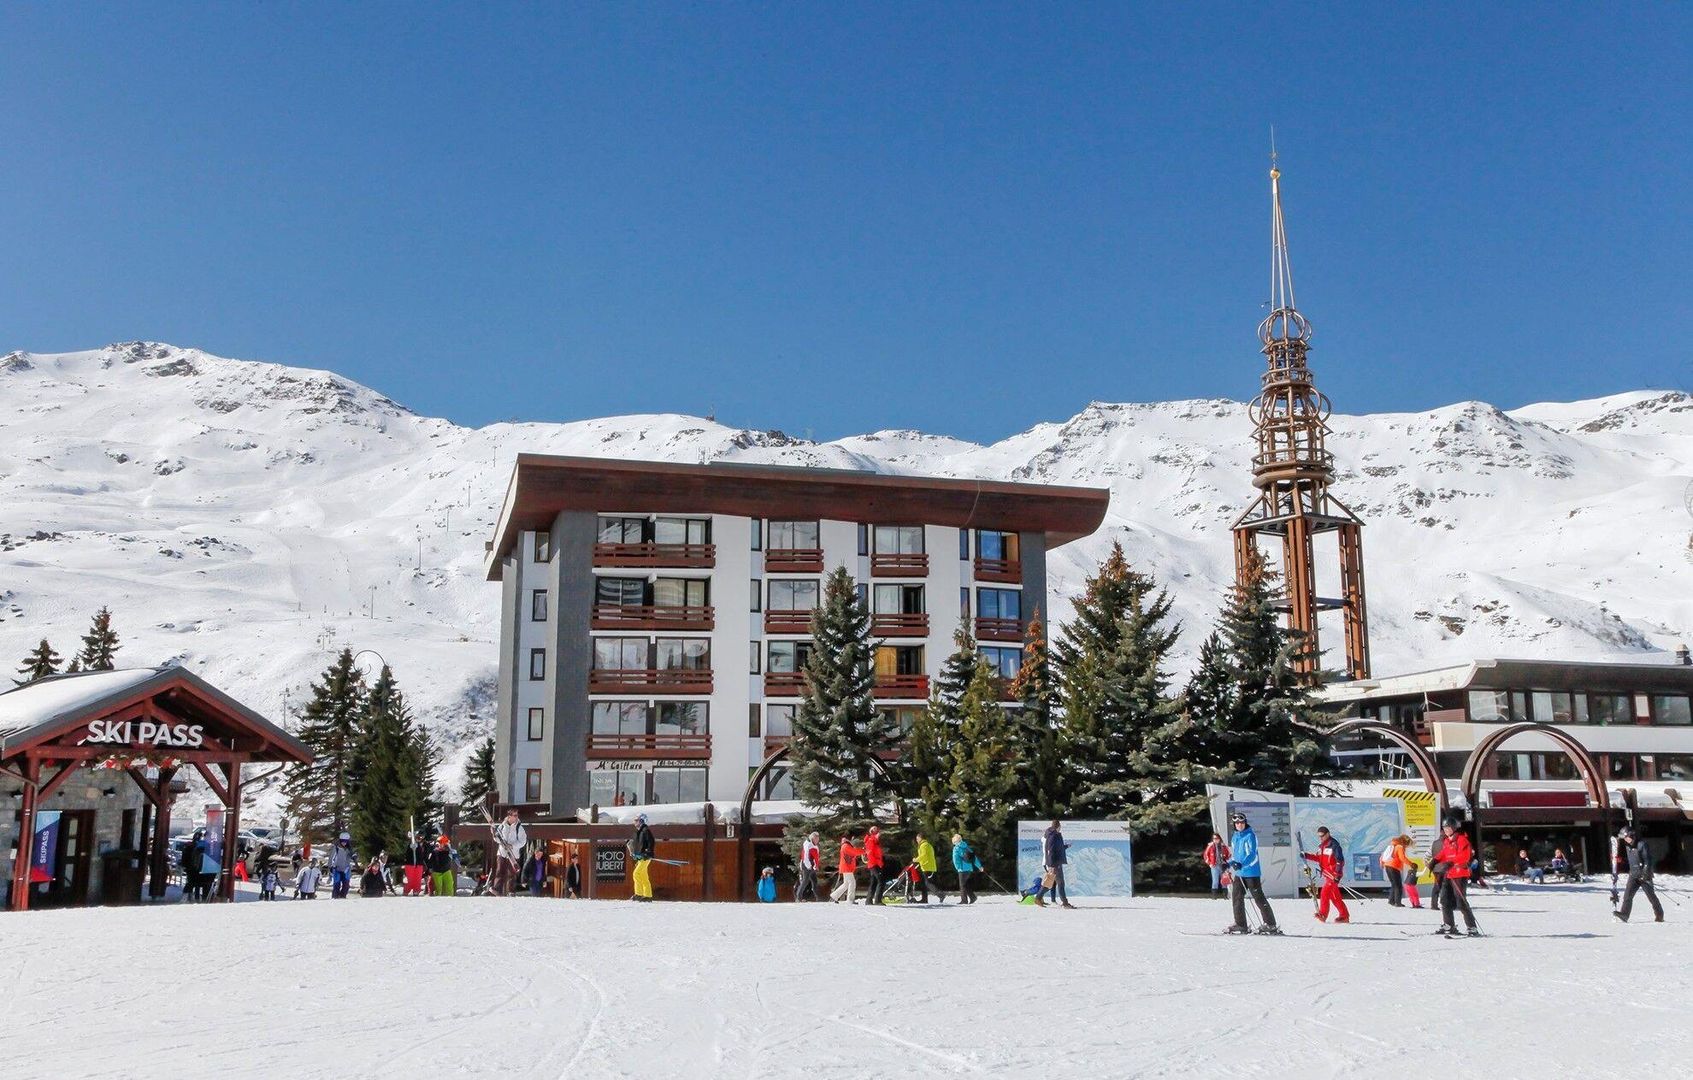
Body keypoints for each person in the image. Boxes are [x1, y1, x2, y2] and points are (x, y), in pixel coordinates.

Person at [1225, 812, 1280, 935]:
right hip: (1240, 873)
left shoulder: (1250, 836)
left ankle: (1270, 924)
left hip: (1251, 872)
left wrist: (1241, 864)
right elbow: (1236, 855)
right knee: (1236, 897)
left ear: (1245, 823)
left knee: (1258, 897)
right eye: (1237, 823)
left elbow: (1252, 855)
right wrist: (1229, 863)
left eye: (1242, 822)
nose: (1239, 825)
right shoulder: (1235, 837)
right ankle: (1241, 924)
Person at [1430, 818, 1479, 937]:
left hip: (1459, 874)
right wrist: (1435, 860)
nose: (1446, 830)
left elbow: (1465, 856)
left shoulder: (1462, 840)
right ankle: (1449, 925)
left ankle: (1472, 927)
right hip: (1449, 874)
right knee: (1444, 899)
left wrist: (1451, 862)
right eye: (1444, 828)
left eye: (1448, 828)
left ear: (1454, 828)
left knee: (1460, 901)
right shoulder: (1447, 841)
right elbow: (1444, 853)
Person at [1613, 825, 1664, 923]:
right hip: (1633, 875)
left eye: (1626, 837)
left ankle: (1659, 915)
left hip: (1644, 875)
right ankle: (1624, 914)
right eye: (1624, 838)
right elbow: (1630, 860)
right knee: (1627, 896)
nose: (1625, 840)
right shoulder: (1628, 846)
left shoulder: (1642, 844)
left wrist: (1645, 874)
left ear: (1632, 836)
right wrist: (1619, 860)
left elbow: (1647, 861)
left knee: (1651, 896)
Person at [1301, 826, 1349, 923]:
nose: (1321, 838)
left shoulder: (1334, 846)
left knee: (1324, 893)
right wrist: (1306, 855)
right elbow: (1318, 858)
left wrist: (1337, 874)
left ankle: (1323, 914)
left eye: (1322, 836)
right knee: (1334, 897)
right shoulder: (1322, 846)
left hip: (1333, 875)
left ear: (1328, 834)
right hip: (1327, 875)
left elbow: (1340, 861)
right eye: (1319, 836)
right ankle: (1344, 916)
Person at [492, 810, 528, 897]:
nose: (516, 817)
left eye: (517, 815)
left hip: (513, 854)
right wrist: (494, 835)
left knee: (511, 873)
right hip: (502, 852)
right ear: (509, 816)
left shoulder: (519, 827)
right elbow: (497, 839)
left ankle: (511, 891)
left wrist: (512, 846)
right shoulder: (502, 826)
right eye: (514, 815)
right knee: (499, 871)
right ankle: (497, 889)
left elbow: (523, 841)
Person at [1381, 834, 1420, 909]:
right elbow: (1402, 858)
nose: (1407, 846)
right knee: (1398, 885)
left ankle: (1391, 900)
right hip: (1394, 867)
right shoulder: (1400, 847)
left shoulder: (1394, 845)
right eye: (1408, 844)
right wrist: (1411, 864)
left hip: (1388, 866)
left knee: (1394, 884)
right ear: (1405, 842)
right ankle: (1398, 902)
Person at [1042, 820, 1073, 909]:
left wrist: (1066, 846)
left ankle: (1039, 897)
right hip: (1055, 864)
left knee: (1050, 882)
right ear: (1058, 826)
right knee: (1059, 883)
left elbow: (1057, 849)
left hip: (1055, 863)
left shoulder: (1052, 834)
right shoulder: (1054, 835)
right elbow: (1051, 851)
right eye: (1060, 826)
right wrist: (1052, 865)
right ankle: (1065, 903)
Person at [629, 813, 655, 902]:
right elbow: (637, 845)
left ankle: (639, 894)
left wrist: (647, 852)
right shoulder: (638, 831)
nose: (635, 822)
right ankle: (648, 895)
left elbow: (651, 842)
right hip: (640, 858)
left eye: (637, 820)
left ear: (642, 821)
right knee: (643, 876)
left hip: (645, 857)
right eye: (635, 820)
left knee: (636, 874)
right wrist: (634, 853)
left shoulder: (645, 830)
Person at [913, 833, 945, 904]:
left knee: (928, 883)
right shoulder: (927, 845)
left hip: (927, 867)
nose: (916, 840)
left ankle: (940, 894)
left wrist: (916, 860)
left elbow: (923, 855)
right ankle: (924, 899)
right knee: (924, 884)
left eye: (917, 839)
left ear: (921, 838)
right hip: (926, 866)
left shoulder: (924, 845)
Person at [952, 833, 983, 905]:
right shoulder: (967, 847)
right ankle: (972, 897)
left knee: (962, 885)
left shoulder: (956, 848)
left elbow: (955, 859)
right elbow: (974, 858)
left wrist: (958, 868)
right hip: (969, 868)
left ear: (955, 842)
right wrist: (979, 866)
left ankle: (964, 900)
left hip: (962, 869)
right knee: (965, 884)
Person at [830, 835, 862, 903]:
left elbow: (853, 853)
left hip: (846, 867)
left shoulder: (846, 846)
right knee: (852, 882)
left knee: (846, 884)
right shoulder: (846, 846)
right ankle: (850, 900)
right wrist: (864, 851)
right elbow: (854, 852)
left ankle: (834, 896)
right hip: (846, 868)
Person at [863, 826, 887, 906]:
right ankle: (878, 900)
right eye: (875, 830)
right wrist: (878, 863)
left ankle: (869, 900)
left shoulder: (875, 841)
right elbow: (870, 854)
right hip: (874, 864)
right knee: (881, 881)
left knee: (874, 882)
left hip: (874, 864)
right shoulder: (871, 840)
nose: (878, 833)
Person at [1203, 832, 1231, 899]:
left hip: (1222, 866)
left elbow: (1229, 855)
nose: (1215, 840)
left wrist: (1226, 862)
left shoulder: (1223, 846)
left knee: (1224, 880)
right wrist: (1210, 863)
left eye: (1217, 838)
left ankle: (1225, 896)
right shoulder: (1210, 846)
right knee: (1215, 881)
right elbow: (1205, 855)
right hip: (1214, 866)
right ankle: (1214, 896)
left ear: (1219, 839)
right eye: (1214, 839)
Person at [795, 831, 821, 902]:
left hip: (812, 865)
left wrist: (816, 865)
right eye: (816, 839)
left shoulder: (816, 846)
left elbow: (816, 857)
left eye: (818, 839)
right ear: (812, 838)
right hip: (806, 864)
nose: (817, 840)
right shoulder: (807, 845)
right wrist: (808, 866)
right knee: (805, 881)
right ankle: (799, 897)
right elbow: (805, 857)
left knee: (814, 881)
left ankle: (818, 897)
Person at [329, 832, 354, 899]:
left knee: (346, 885)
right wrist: (331, 867)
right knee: (337, 884)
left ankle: (343, 896)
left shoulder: (349, 849)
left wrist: (354, 856)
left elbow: (352, 856)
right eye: (342, 841)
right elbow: (331, 858)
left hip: (346, 869)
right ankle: (335, 897)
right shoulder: (336, 848)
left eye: (346, 841)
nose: (344, 843)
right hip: (337, 869)